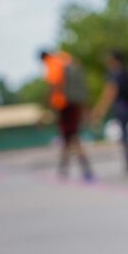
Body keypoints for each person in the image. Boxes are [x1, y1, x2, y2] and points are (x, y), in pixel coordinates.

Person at [39, 49, 94, 181]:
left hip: (64, 106)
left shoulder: (52, 63)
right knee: (69, 138)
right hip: (74, 104)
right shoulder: (65, 59)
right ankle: (65, 169)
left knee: (72, 137)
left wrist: (47, 106)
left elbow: (54, 85)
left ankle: (82, 169)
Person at [92, 50, 128, 174]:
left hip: (122, 107)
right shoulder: (126, 72)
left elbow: (111, 91)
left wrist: (100, 110)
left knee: (124, 136)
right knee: (125, 135)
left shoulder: (117, 73)